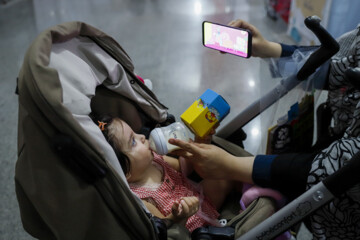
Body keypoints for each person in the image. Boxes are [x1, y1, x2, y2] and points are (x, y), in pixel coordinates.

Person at [170, 19, 360, 239]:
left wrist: (231, 165)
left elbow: (345, 162)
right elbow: (337, 66)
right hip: (334, 139)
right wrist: (268, 49)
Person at [93, 115, 236, 232]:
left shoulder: (155, 159)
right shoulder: (141, 198)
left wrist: (198, 143)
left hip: (201, 199)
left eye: (135, 133)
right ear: (125, 172)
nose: (142, 136)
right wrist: (177, 215)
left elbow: (182, 167)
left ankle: (246, 190)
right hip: (190, 228)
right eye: (133, 142)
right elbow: (164, 228)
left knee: (222, 176)